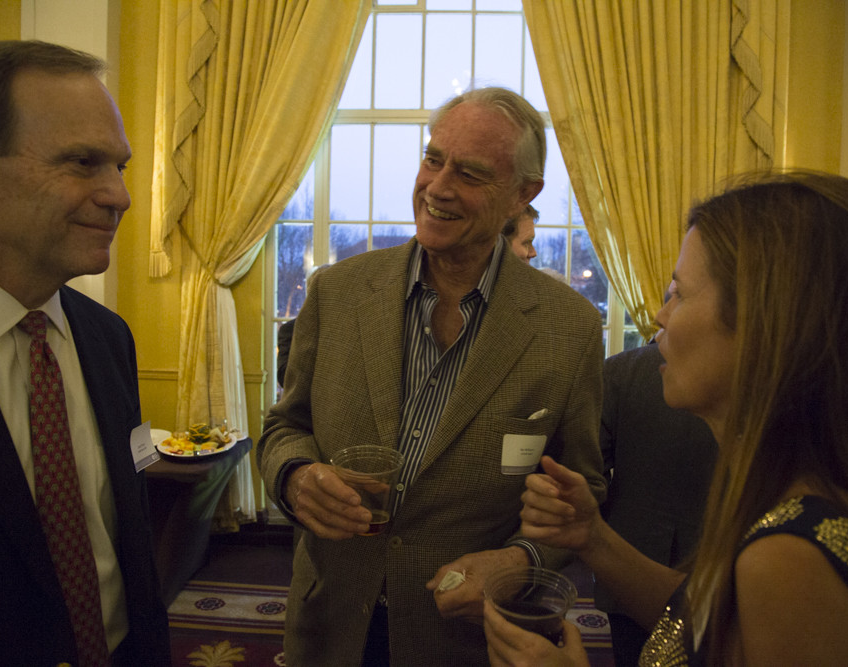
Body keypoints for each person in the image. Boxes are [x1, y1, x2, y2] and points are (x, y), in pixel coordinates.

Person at [483, 172, 848, 666]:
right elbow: (707, 624)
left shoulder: (794, 562)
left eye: (678, 292)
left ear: (763, 324)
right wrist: (594, 537)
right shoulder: (809, 496)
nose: (658, 315)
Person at [258, 86, 607, 667]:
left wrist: (518, 561)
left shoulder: (567, 328)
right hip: (332, 621)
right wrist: (295, 475)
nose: (438, 187)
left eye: (470, 173)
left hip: (464, 639)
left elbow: (580, 493)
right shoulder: (338, 293)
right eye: (432, 159)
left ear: (524, 194)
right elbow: (284, 427)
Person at [0, 41, 171, 666]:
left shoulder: (108, 338)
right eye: (83, 162)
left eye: (119, 166)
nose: (119, 195)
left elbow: (129, 550)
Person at [597, 340, 717, 666]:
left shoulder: (620, 370)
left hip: (627, 551)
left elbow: (594, 471)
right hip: (714, 557)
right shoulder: (738, 373)